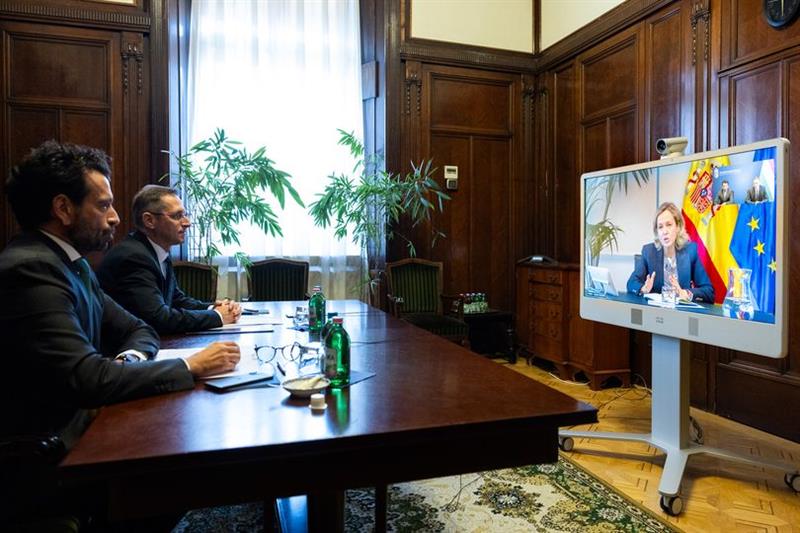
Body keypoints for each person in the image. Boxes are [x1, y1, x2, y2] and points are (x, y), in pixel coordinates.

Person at [0, 141, 241, 450]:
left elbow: (139, 329)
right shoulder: (32, 269)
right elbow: (87, 378)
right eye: (103, 206)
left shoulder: (71, 264)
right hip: (51, 450)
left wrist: (129, 360)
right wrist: (190, 366)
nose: (115, 217)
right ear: (63, 209)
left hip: (87, 422)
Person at [98, 185, 242, 334]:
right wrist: (217, 317)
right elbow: (158, 318)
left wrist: (214, 308)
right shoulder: (133, 257)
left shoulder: (156, 251)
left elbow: (176, 300)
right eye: (177, 216)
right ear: (149, 220)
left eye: (185, 215)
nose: (187, 223)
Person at [626, 202, 715, 303]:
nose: (665, 231)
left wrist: (685, 293)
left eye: (669, 225)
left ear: (678, 227)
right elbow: (631, 283)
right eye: (660, 227)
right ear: (657, 231)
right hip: (656, 310)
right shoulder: (649, 252)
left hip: (681, 311)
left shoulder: (690, 251)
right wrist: (643, 289)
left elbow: (709, 292)